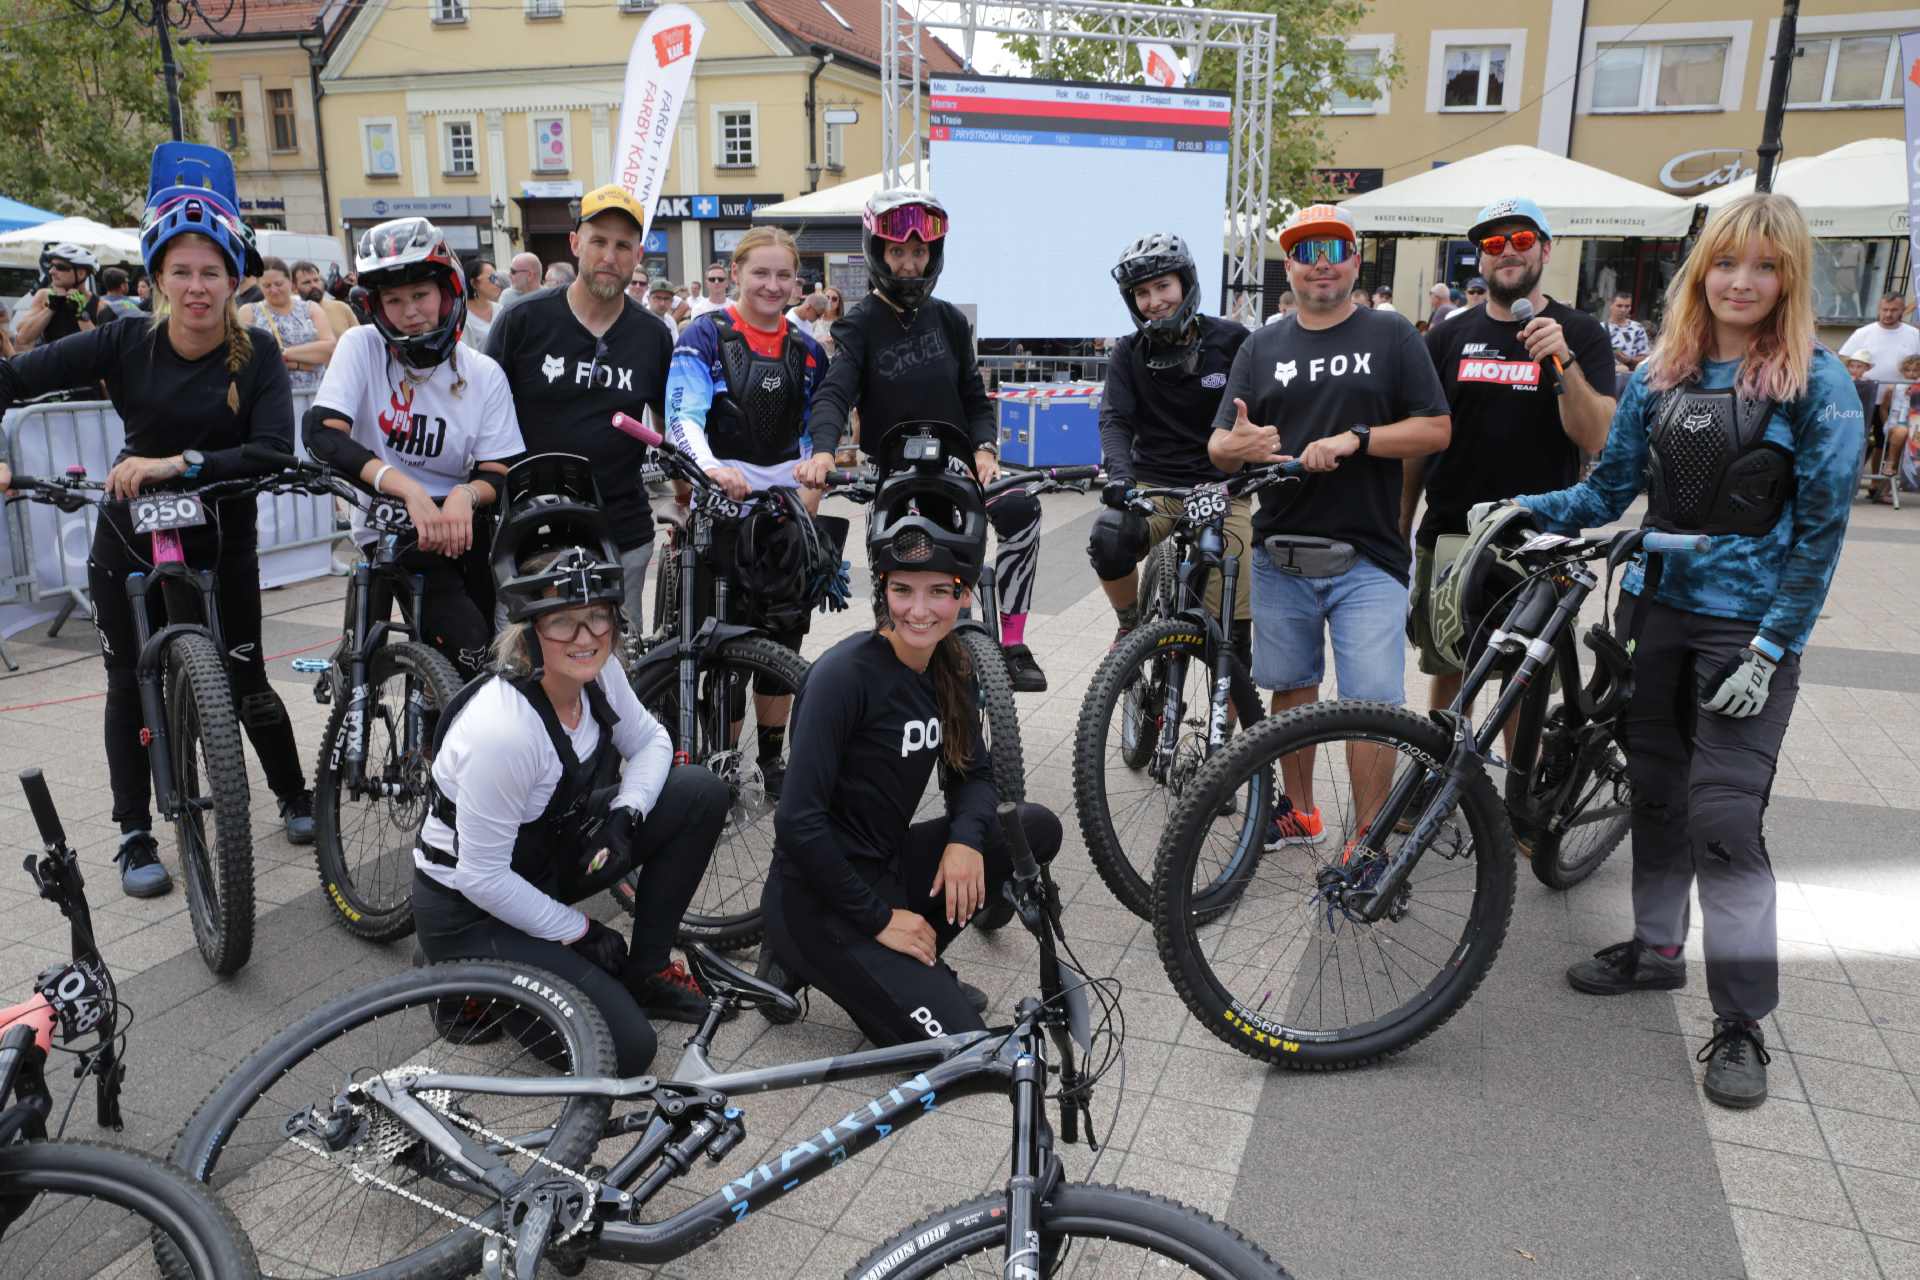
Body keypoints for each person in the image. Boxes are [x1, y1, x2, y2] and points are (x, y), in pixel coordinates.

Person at [1503, 191, 1862, 1111]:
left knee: (1725, 824)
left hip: (1745, 637)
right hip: (1656, 617)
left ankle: (1741, 1022)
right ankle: (1659, 951)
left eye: (1765, 265)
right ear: (1702, 274)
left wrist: (1772, 648)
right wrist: (1526, 509)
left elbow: (1819, 537)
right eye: (1727, 264)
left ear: (1790, 278)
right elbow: (1607, 492)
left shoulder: (1818, 385)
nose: (1743, 281)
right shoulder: (1665, 375)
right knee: (1658, 799)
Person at [0, 167, 315, 896]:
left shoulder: (257, 352)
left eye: (212, 271)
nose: (198, 286)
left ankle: (294, 794)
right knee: (126, 682)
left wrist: (177, 462)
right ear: (157, 277)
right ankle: (135, 832)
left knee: (244, 671)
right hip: (128, 540)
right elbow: (13, 381)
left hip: (221, 534)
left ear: (233, 279)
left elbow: (271, 449)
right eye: (182, 272)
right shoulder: (124, 341)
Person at [412, 469, 731, 1074]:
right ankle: (462, 981)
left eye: (599, 616)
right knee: (626, 1053)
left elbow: (654, 742)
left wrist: (624, 813)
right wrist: (578, 931)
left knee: (698, 793)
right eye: (563, 622)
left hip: (543, 858)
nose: (585, 638)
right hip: (471, 907)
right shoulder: (503, 731)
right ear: (530, 627)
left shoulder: (597, 667)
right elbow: (481, 878)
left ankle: (647, 969)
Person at [758, 426, 1063, 1046]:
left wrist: (965, 842)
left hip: (886, 866)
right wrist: (880, 921)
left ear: (964, 593)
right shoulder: (842, 677)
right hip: (817, 897)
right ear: (883, 591)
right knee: (960, 1045)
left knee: (1033, 828)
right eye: (901, 590)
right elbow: (798, 824)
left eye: (938, 593)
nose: (919, 611)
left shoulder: (950, 666)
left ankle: (911, 963)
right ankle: (801, 957)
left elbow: (974, 775)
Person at [1207, 202, 1450, 846]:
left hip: (1368, 556)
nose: (1322, 266)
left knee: (1372, 705)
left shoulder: (1393, 336)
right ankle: (1301, 812)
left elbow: (1436, 427)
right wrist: (1243, 446)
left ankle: (1368, 836)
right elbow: (1218, 447)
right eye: (1306, 254)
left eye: (1334, 251)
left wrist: (1358, 439)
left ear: (1354, 260)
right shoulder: (1260, 346)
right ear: (1288, 265)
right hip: (1281, 552)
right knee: (1291, 691)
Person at [809, 188, 1054, 693]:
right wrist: (822, 451)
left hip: (960, 471)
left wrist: (986, 451)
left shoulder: (949, 320)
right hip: (893, 476)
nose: (909, 264)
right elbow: (835, 391)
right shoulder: (858, 325)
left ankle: (1011, 639)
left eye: (918, 252)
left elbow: (974, 396)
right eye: (898, 252)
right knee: (897, 584)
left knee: (1022, 510)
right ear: (879, 252)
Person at [1405, 196, 1615, 733]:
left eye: (1521, 240)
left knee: (1526, 675)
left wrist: (1562, 359)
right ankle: (1441, 772)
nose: (1508, 252)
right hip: (1453, 529)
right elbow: (1422, 440)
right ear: (1480, 259)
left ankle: (1514, 803)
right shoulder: (1448, 334)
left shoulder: (1581, 333)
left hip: (1541, 540)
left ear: (1545, 249)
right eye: (1494, 244)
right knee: (1450, 664)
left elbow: (1594, 435)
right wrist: (1400, 526)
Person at [306, 217, 523, 681]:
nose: (411, 312)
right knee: (361, 668)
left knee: (471, 654)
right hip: (385, 525)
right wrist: (405, 488)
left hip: (457, 528)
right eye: (394, 300)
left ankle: (434, 739)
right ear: (377, 307)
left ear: (447, 294)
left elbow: (499, 471)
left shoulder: (483, 374)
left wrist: (465, 496)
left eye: (421, 295)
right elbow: (322, 432)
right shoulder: (361, 346)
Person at [665, 225, 830, 785]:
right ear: (734, 274)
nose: (772, 284)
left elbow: (816, 436)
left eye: (784, 274)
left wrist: (809, 496)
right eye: (760, 272)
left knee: (784, 639)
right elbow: (683, 415)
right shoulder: (703, 335)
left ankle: (773, 759)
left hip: (785, 517)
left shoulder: (808, 349)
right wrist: (711, 470)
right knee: (725, 647)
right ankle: (724, 760)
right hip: (720, 509)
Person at [485, 184, 672, 632]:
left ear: (638, 254)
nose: (610, 255)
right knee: (521, 671)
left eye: (623, 245)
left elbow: (671, 428)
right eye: (599, 241)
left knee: (615, 673)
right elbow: (482, 413)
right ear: (575, 243)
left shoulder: (653, 335)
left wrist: (683, 497)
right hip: (530, 534)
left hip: (619, 534)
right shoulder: (522, 321)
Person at [1091, 232, 1252, 648]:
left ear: (1186, 283)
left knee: (1231, 632)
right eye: (1141, 293)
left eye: (1163, 286)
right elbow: (1114, 420)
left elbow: (1265, 412)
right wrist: (1120, 478)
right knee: (1109, 537)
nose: (1154, 300)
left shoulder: (1233, 341)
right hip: (1154, 486)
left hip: (1223, 490)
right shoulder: (1129, 352)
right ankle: (1129, 623)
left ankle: (1226, 711)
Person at [242, 256, 336, 393]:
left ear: (290, 282)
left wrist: (283, 354)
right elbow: (247, 358)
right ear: (259, 286)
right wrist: (307, 362)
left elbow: (329, 349)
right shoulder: (248, 312)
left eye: (278, 284)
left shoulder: (311, 308)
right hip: (270, 396)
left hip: (317, 394)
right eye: (267, 286)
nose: (273, 290)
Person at [14, 243, 110, 354]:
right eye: (51, 266)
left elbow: (103, 349)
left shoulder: (100, 306)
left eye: (60, 267)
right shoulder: (44, 296)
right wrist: (50, 308)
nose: (51, 272)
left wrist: (82, 315)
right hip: (49, 367)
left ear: (81, 273)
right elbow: (22, 339)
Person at [1842, 292, 1920, 416]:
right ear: (1879, 309)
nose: (1888, 314)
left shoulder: (1915, 335)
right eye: (1885, 309)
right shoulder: (1862, 333)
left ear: (1903, 310)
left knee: (1887, 435)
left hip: (1899, 403)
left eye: (1894, 310)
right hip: (1862, 399)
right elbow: (1843, 361)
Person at [293, 260, 358, 339]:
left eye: (316, 280)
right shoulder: (290, 317)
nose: (314, 285)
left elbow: (360, 341)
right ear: (294, 288)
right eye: (307, 282)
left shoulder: (342, 308)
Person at [457, 256, 501, 352]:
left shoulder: (501, 310)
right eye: (492, 278)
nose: (497, 283)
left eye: (497, 278)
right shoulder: (461, 316)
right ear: (473, 283)